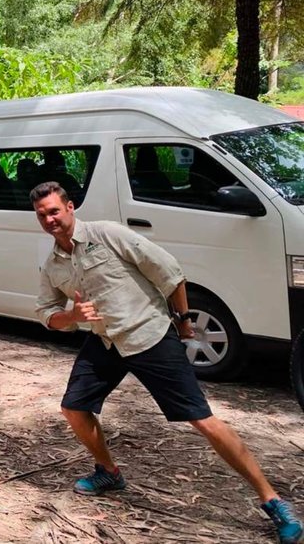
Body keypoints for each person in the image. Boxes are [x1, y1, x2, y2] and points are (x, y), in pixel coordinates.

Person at [31, 181, 303, 544]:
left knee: (203, 421)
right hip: (105, 341)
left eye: (53, 210)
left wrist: (184, 320)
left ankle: (273, 501)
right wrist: (69, 316)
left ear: (70, 207)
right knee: (74, 408)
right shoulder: (51, 264)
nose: (49, 219)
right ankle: (109, 472)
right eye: (41, 215)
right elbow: (46, 312)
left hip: (149, 335)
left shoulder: (108, 234)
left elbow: (169, 270)